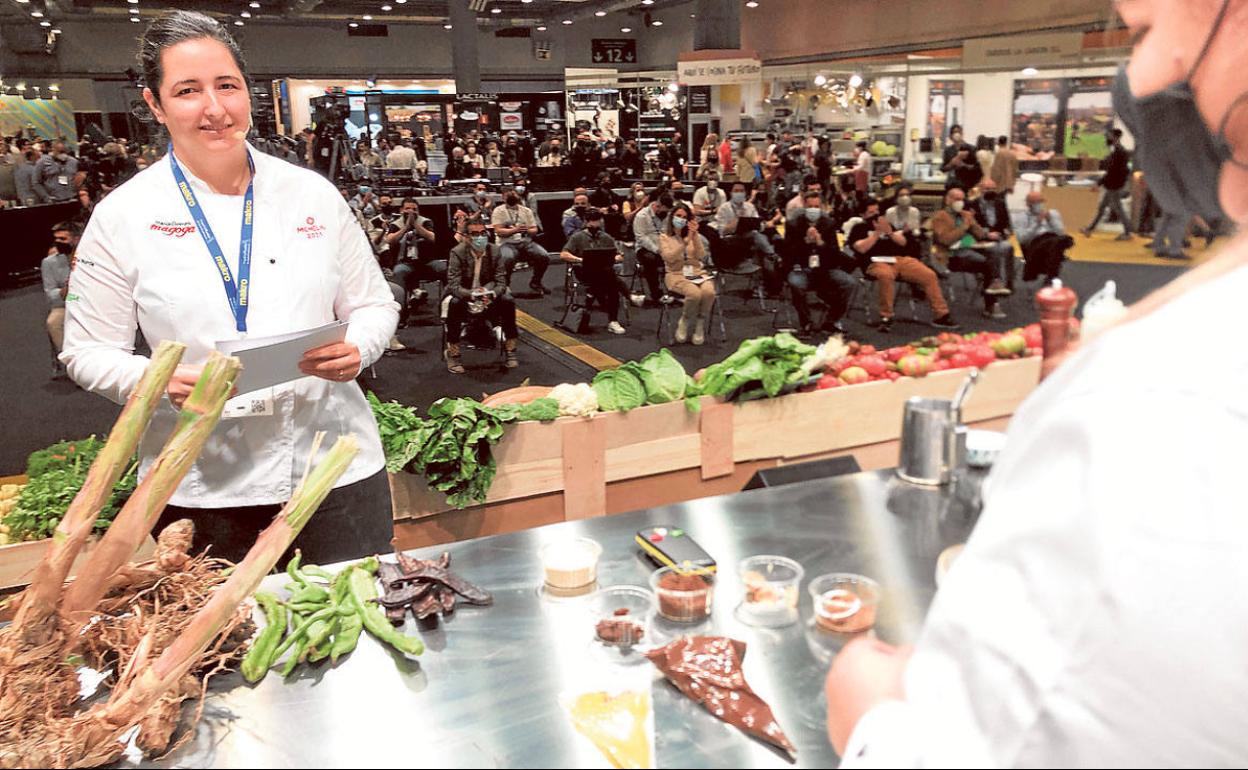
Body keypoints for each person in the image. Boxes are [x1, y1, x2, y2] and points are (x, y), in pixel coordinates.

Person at [826, 2, 1248, 764]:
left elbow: (1020, 741)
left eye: (1144, 33)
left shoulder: (1163, 398)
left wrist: (869, 719)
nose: (1137, 80)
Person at [60, 10, 399, 565]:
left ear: (248, 92)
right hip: (201, 483)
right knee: (222, 623)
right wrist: (156, 381)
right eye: (187, 91)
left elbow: (374, 304)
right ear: (154, 104)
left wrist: (360, 346)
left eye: (227, 86)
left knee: (356, 611)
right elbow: (87, 350)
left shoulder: (312, 194)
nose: (214, 108)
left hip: (334, 468)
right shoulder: (123, 214)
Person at [850, 199, 957, 332]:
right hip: (875, 262)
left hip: (898, 259)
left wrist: (890, 232)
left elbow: (902, 243)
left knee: (928, 274)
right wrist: (877, 233)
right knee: (886, 276)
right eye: (871, 212)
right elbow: (861, 249)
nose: (876, 214)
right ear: (863, 214)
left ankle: (941, 314)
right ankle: (886, 317)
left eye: (877, 211)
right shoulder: (858, 228)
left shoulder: (887, 224)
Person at [444, 217, 518, 372]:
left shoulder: (494, 250)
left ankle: (510, 350)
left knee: (508, 300)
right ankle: (453, 353)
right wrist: (472, 295)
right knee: (454, 304)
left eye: (483, 233)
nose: (480, 237)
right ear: (466, 237)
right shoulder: (457, 252)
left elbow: (501, 281)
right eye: (475, 234)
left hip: (488, 294)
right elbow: (454, 285)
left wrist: (491, 294)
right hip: (466, 295)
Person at [780, 191, 857, 335]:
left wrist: (820, 243)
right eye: (810, 206)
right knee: (796, 284)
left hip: (824, 267)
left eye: (816, 207)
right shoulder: (793, 224)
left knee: (849, 283)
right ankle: (806, 323)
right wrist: (805, 242)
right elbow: (788, 253)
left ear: (821, 207)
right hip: (801, 267)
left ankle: (831, 321)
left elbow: (834, 253)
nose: (813, 210)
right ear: (804, 206)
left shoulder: (829, 223)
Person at [930, 187, 1010, 318]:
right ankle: (993, 300)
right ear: (948, 200)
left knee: (993, 254)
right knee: (988, 265)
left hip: (968, 251)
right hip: (950, 257)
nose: (960, 202)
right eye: (957, 199)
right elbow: (946, 240)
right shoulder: (940, 217)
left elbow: (979, 233)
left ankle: (994, 291)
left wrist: (987, 234)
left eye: (962, 199)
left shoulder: (965, 215)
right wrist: (964, 226)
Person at [560, 208, 626, 335]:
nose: (594, 224)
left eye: (597, 221)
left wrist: (613, 259)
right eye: (592, 221)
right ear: (586, 222)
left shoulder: (606, 237)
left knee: (610, 283)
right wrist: (580, 259)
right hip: (584, 271)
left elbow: (619, 256)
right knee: (610, 279)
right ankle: (628, 296)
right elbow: (563, 254)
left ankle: (611, 319)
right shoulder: (577, 237)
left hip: (603, 272)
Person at [659, 202, 715, 345]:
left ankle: (700, 322)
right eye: (678, 216)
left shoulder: (693, 235)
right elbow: (669, 258)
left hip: (696, 271)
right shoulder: (664, 237)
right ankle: (685, 320)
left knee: (709, 292)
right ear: (672, 217)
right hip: (675, 274)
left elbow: (701, 255)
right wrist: (685, 242)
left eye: (684, 217)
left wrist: (694, 236)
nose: (681, 219)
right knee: (694, 294)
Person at [385, 197, 442, 311]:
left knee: (444, 268)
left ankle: (446, 305)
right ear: (401, 210)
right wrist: (405, 227)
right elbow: (390, 240)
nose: (411, 211)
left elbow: (432, 237)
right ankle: (402, 309)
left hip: (427, 261)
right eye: (407, 209)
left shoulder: (425, 222)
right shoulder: (395, 224)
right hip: (405, 262)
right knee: (399, 271)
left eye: (414, 209)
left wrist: (415, 224)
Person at [714, 181, 779, 283]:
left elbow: (758, 224)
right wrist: (737, 221)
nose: (739, 193)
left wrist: (763, 224)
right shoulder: (724, 208)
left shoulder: (750, 207)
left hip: (748, 237)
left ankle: (766, 280)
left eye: (741, 191)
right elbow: (722, 231)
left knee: (758, 236)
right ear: (731, 193)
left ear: (745, 193)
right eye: (736, 191)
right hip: (730, 240)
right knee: (756, 236)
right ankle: (772, 254)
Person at [492, 188, 551, 295]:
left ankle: (536, 282)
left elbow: (534, 229)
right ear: (503, 198)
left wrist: (527, 230)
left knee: (544, 255)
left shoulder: (526, 211)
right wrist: (515, 230)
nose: (511, 197)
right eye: (508, 195)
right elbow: (499, 231)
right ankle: (505, 285)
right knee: (507, 257)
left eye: (513, 194)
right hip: (506, 243)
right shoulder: (498, 211)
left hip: (525, 242)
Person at [1081, 128, 1134, 240]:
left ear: (1115, 137)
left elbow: (1113, 172)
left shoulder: (1119, 152)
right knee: (1103, 208)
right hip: (1113, 184)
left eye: (1109, 135)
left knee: (1118, 209)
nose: (1107, 137)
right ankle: (1090, 229)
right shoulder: (1118, 151)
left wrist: (1099, 183)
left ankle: (1128, 232)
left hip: (1114, 185)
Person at [42, 220, 79, 369]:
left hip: (92, 300)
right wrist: (66, 292)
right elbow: (50, 294)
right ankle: (73, 362)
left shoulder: (89, 258)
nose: (58, 242)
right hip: (66, 302)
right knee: (53, 322)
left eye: (63, 239)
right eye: (56, 239)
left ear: (75, 239)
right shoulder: (49, 263)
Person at [1016, 189, 1074, 282]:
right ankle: (1052, 277)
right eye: (1036, 202)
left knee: (1056, 243)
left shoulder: (1053, 213)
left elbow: (1061, 232)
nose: (1039, 204)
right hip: (1036, 242)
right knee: (1059, 243)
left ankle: (1051, 277)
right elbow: (1022, 239)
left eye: (1041, 201)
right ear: (1028, 204)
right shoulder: (1022, 217)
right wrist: (1036, 223)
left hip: (1053, 238)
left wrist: (1051, 220)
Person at [970, 178, 1019, 287]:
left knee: (1009, 247)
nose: (991, 191)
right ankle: (996, 279)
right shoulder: (973, 205)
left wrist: (1007, 232)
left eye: (993, 189)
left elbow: (1007, 222)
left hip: (999, 237)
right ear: (981, 189)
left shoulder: (1000, 203)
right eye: (987, 189)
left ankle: (1010, 281)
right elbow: (970, 226)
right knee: (994, 249)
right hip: (980, 239)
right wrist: (987, 234)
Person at [632, 192, 674, 306]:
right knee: (650, 260)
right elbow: (641, 238)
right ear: (658, 205)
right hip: (645, 249)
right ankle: (656, 294)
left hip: (664, 246)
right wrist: (657, 250)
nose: (666, 213)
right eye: (664, 210)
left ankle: (676, 290)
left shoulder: (667, 215)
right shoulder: (642, 216)